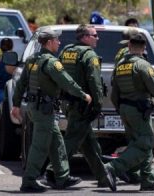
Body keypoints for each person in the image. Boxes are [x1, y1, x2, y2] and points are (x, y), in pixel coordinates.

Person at [11, 28, 92, 193]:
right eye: (57, 40)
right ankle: (29, 180)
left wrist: (16, 104)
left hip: (35, 108)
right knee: (40, 146)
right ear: (49, 43)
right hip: (44, 110)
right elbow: (67, 82)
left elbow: (21, 84)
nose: (59, 42)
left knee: (57, 143)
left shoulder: (33, 60)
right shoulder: (51, 63)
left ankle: (62, 177)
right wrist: (83, 95)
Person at [44, 24, 116, 191]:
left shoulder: (66, 50)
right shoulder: (89, 55)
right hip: (83, 104)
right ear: (84, 37)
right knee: (72, 140)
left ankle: (103, 176)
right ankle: (52, 172)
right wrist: (98, 104)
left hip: (67, 103)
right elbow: (95, 82)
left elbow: (59, 75)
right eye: (94, 35)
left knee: (89, 143)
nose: (97, 38)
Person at [105, 33, 154, 192]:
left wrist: (120, 109)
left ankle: (147, 181)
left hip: (125, 109)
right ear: (144, 48)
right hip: (139, 110)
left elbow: (114, 93)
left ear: (129, 46)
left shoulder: (120, 66)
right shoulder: (142, 65)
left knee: (138, 144)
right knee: (145, 144)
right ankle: (113, 167)